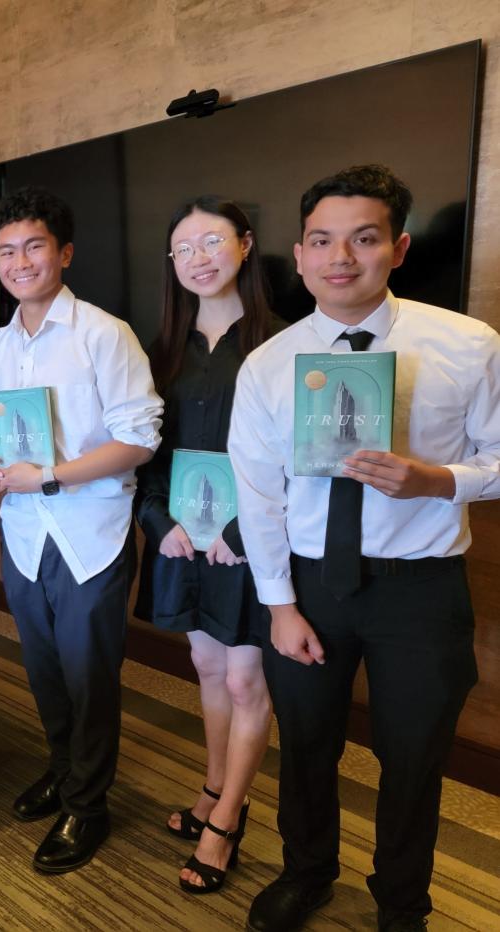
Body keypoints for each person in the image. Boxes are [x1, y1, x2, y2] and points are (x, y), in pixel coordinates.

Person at [230, 164, 499, 932]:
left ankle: (402, 903)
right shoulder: (269, 365)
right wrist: (279, 606)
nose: (340, 256)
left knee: (413, 757)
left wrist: (436, 479)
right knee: (308, 742)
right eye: (322, 240)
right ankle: (306, 871)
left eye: (363, 238)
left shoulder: (467, 345)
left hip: (420, 588)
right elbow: (258, 494)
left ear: (399, 248)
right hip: (310, 586)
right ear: (299, 252)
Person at [0, 187, 162, 874]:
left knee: (90, 677)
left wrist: (51, 473)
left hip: (91, 530)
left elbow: (139, 439)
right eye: (7, 250)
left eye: (33, 246)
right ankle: (64, 770)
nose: (20, 261)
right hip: (25, 534)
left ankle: (89, 805)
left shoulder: (103, 335)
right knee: (44, 671)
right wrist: (0, 472)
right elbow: (2, 445)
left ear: (64, 253)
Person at [133, 197, 278, 893]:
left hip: (252, 545)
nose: (197, 257)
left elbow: (299, 461)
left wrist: (243, 533)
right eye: (183, 247)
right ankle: (216, 787)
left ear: (245, 246)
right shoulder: (159, 349)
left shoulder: (280, 344)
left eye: (211, 241)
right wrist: (162, 525)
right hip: (185, 543)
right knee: (209, 670)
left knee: (247, 678)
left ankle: (227, 822)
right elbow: (144, 453)